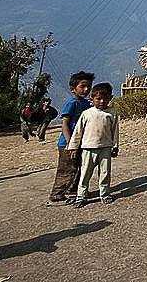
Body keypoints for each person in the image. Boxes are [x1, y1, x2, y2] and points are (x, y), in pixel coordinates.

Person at [68, 82, 119, 207]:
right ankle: (81, 196)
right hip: (88, 149)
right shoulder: (87, 113)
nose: (102, 101)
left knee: (105, 173)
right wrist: (73, 147)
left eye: (105, 99)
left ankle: (105, 194)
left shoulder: (112, 113)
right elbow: (78, 131)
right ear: (92, 99)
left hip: (105, 148)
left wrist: (115, 146)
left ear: (110, 98)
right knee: (85, 174)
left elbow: (115, 131)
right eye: (98, 99)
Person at [47, 71, 94, 206]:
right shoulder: (71, 103)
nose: (86, 89)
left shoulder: (86, 104)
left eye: (89, 86)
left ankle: (73, 191)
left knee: (80, 167)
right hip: (67, 144)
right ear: (73, 89)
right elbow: (65, 124)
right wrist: (70, 143)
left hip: (81, 142)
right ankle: (56, 196)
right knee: (66, 169)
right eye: (83, 86)